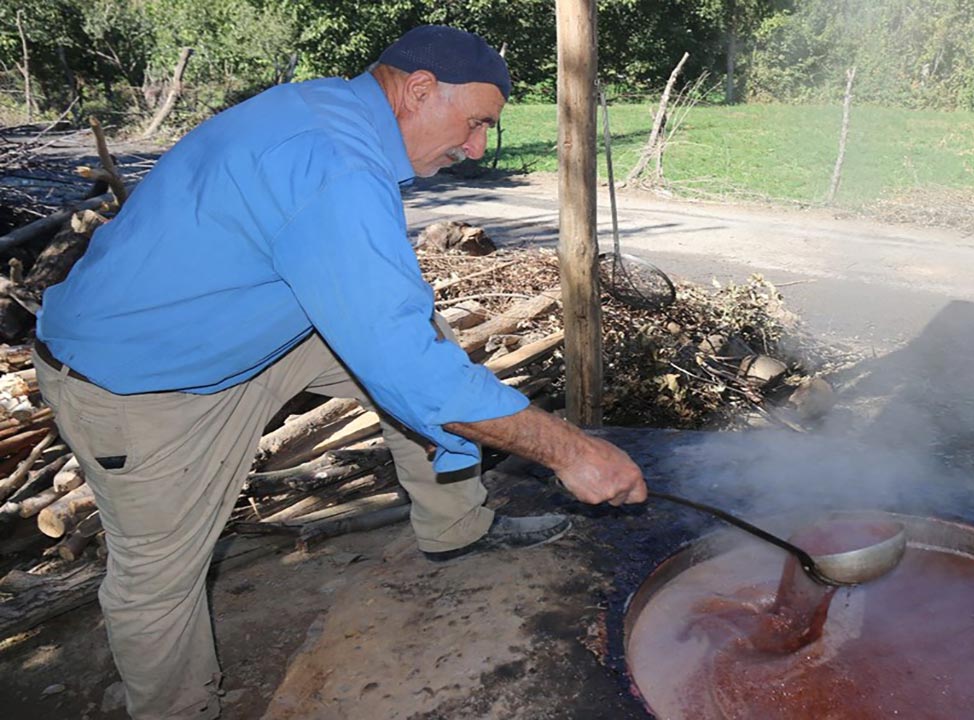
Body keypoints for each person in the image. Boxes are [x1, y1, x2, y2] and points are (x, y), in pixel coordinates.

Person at [33, 25, 646, 720]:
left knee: (427, 340)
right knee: (156, 576)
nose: (477, 148)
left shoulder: (335, 110)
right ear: (419, 90)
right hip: (138, 380)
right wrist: (573, 453)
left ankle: (455, 528)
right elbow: (408, 368)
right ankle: (178, 710)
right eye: (476, 123)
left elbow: (394, 328)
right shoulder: (337, 164)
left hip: (241, 324)